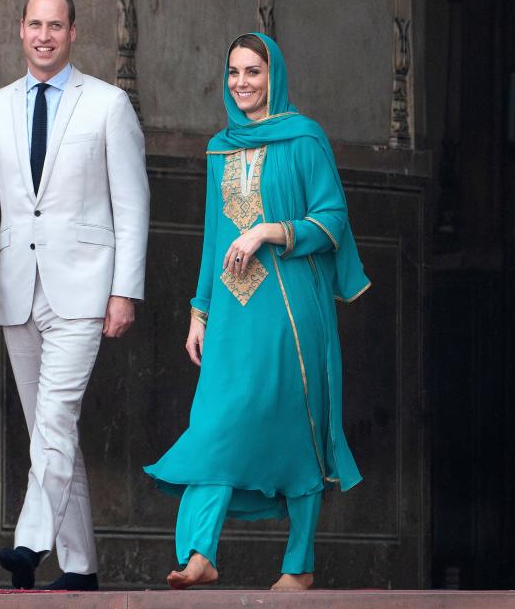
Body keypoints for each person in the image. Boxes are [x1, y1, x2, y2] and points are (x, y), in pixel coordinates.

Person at [143, 32, 369, 591]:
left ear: (275, 76)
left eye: (253, 72)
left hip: (293, 311)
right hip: (235, 314)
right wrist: (199, 312)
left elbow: (333, 219)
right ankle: (199, 553)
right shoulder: (221, 148)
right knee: (216, 424)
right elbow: (214, 236)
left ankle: (299, 566)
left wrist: (270, 230)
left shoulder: (304, 139)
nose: (241, 83)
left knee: (300, 428)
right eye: (234, 73)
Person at [0, 0, 150, 591]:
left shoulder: (108, 105)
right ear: (20, 29)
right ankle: (81, 566)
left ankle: (30, 542)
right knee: (49, 432)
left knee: (56, 417)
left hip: (86, 289)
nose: (44, 35)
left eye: (55, 25)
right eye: (35, 24)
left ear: (72, 32)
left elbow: (133, 204)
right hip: (17, 290)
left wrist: (126, 290)